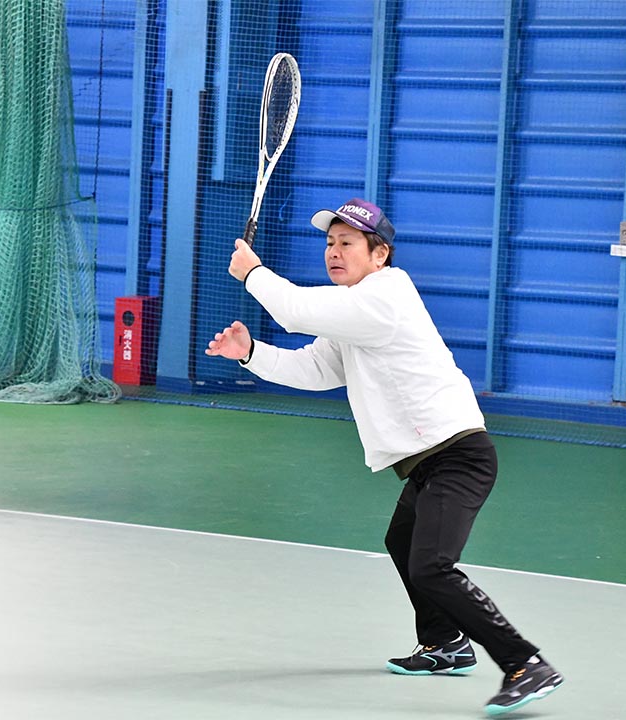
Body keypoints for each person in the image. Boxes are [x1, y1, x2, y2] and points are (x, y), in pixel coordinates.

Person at [205, 198, 563, 716]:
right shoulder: (353, 310)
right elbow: (317, 370)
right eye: (330, 243)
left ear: (380, 255)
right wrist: (251, 353)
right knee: (403, 541)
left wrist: (253, 273)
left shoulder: (386, 296)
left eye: (347, 243)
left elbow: (293, 309)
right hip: (426, 461)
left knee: (432, 566)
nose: (334, 251)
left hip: (458, 454)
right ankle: (445, 643)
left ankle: (525, 663)